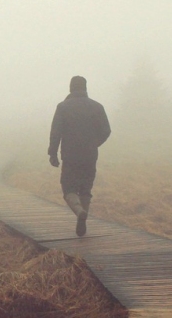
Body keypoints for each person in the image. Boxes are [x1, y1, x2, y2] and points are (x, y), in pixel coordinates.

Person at [48, 76, 111, 236]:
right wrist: (94, 144)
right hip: (90, 155)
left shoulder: (63, 107)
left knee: (68, 187)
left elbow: (56, 132)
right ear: (85, 88)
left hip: (70, 155)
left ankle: (78, 210)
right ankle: (83, 214)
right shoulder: (97, 107)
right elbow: (106, 131)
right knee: (85, 188)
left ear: (71, 88)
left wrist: (53, 153)